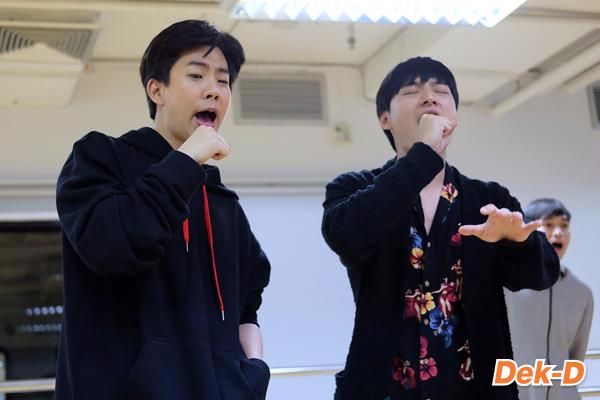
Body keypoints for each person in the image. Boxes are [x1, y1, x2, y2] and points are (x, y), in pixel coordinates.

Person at [55, 20, 271, 400]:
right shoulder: (100, 158)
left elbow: (247, 304)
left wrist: (252, 371)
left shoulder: (222, 202)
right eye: (196, 75)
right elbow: (112, 246)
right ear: (157, 90)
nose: (214, 90)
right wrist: (184, 162)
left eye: (223, 81)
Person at [321, 56, 560, 400]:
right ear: (385, 118)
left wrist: (517, 243)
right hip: (383, 390)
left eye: (441, 91)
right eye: (411, 91)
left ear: (455, 115)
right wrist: (424, 154)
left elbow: (541, 275)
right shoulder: (354, 189)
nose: (429, 97)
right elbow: (344, 236)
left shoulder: (489, 198)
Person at [506, 198, 594, 400]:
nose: (558, 232)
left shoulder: (581, 293)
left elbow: (575, 359)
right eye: (549, 224)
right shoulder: (506, 286)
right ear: (528, 229)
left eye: (564, 226)